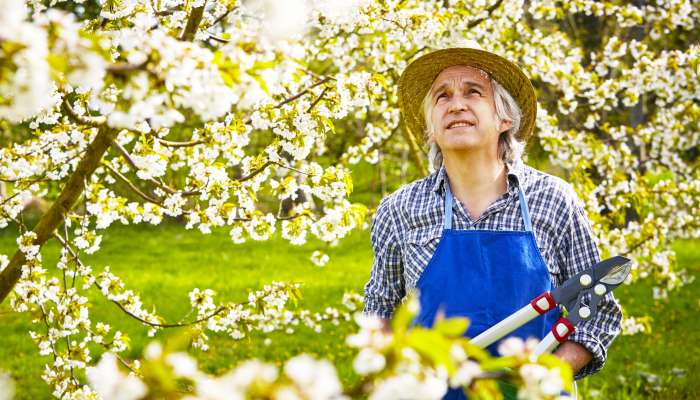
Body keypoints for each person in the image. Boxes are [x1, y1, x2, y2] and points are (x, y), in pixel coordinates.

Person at [363, 42, 622, 399]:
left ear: (505, 119)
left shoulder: (553, 199)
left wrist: (543, 380)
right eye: (442, 96)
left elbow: (599, 312)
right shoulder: (400, 209)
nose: (456, 104)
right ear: (432, 127)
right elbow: (380, 308)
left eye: (473, 92)